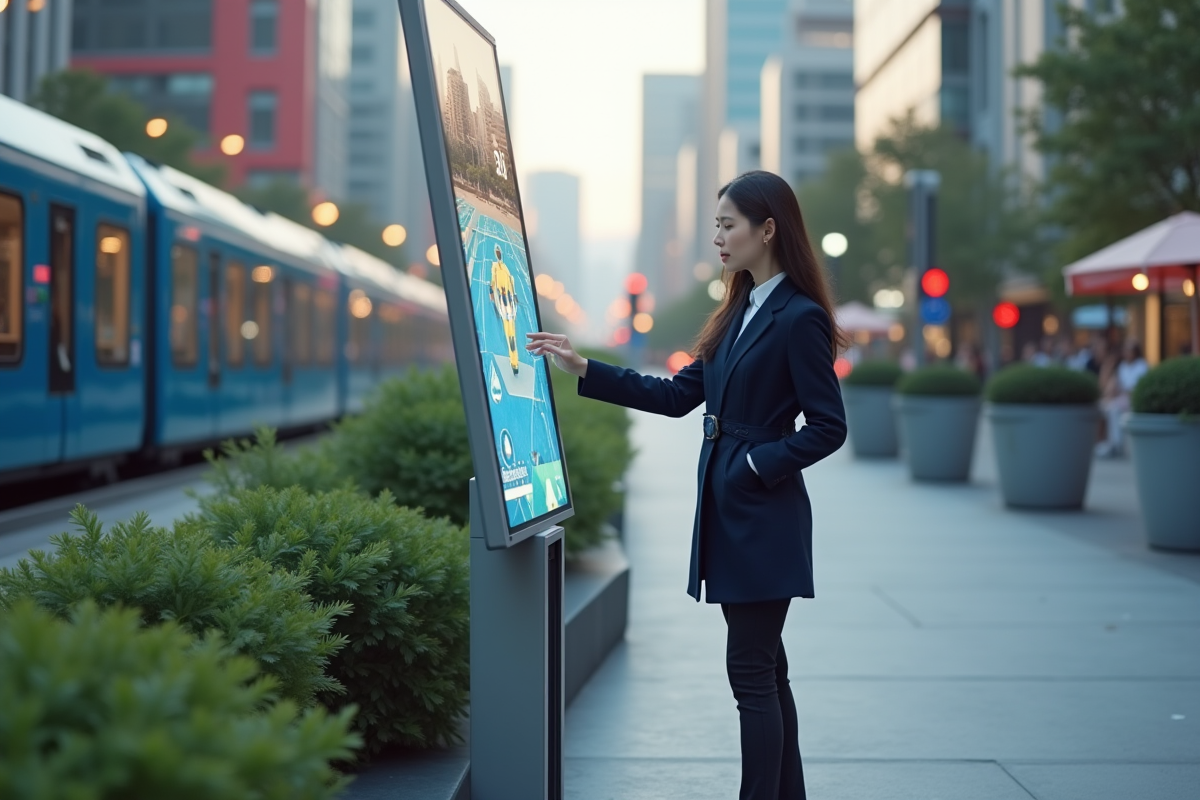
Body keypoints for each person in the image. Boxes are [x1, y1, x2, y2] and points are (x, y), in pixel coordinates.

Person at [527, 170, 847, 800]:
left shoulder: (799, 317)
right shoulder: (737, 311)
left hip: (763, 515)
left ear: (768, 229)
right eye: (716, 226)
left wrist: (756, 466)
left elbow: (828, 427)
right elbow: (677, 396)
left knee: (750, 671)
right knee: (767, 670)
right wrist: (585, 367)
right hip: (729, 510)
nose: (718, 238)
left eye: (728, 225)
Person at [1097, 340, 1148, 457]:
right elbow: (1113, 386)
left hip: (1134, 400)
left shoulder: (1141, 365)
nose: (1127, 353)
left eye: (1130, 350)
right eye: (1126, 350)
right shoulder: (1122, 366)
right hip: (1122, 399)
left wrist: (1123, 391)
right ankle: (1111, 444)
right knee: (1107, 408)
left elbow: (1136, 389)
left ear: (1136, 352)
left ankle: (1116, 445)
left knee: (1114, 409)